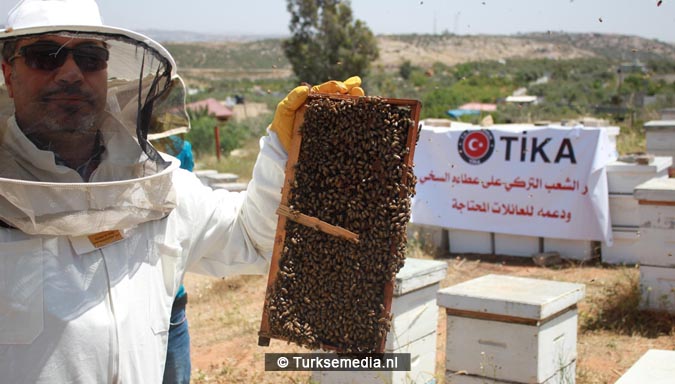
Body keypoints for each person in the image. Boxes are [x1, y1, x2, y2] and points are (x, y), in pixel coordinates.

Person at [0, 0, 363, 383]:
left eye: (89, 56)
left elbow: (251, 239)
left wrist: (283, 150)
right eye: (45, 56)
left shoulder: (160, 186)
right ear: (9, 73)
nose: (71, 72)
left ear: (105, 72)